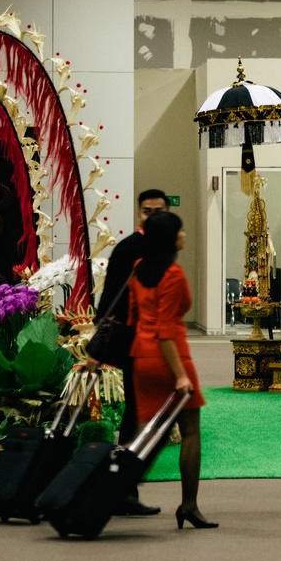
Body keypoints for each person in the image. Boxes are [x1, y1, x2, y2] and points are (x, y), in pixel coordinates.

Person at [127, 211, 217, 530]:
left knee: (148, 434)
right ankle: (189, 505)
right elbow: (165, 330)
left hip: (141, 359)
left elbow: (132, 317)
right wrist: (179, 374)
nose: (184, 234)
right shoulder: (173, 274)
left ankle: (115, 487)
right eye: (180, 231)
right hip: (171, 357)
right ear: (169, 238)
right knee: (190, 431)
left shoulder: (138, 268)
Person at [85, 188, 168, 516]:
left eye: (159, 211)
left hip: (152, 343)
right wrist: (98, 342)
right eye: (148, 211)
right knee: (137, 415)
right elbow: (110, 299)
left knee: (140, 414)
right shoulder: (130, 247)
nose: (153, 217)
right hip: (132, 343)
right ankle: (121, 490)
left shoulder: (163, 248)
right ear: (139, 214)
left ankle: (122, 489)